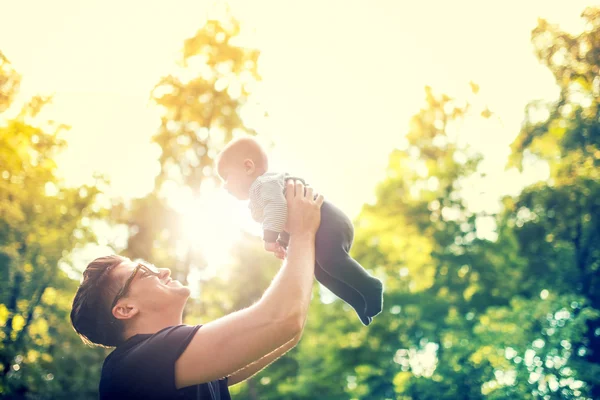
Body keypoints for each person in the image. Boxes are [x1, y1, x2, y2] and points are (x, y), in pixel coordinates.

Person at [70, 180, 324, 399]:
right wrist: (302, 232)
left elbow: (287, 330)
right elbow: (282, 321)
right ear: (126, 309)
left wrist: (299, 250)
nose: (164, 271)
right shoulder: (134, 365)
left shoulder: (185, 367)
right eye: (143, 271)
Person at [216, 136, 383, 325]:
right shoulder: (262, 193)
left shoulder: (265, 183)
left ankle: (371, 287)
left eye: (227, 176)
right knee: (321, 272)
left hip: (328, 220)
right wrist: (282, 241)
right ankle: (359, 301)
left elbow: (277, 206)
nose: (224, 185)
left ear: (248, 167)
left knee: (330, 260)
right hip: (321, 227)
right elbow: (289, 218)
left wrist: (269, 238)